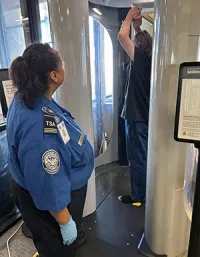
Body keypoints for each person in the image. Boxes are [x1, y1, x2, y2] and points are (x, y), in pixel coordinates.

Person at [7, 43, 94, 257]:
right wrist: (65, 222)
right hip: (52, 205)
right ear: (54, 75)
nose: (64, 70)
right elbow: (47, 184)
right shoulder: (39, 127)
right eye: (61, 66)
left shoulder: (28, 98)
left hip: (50, 190)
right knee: (56, 250)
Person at [117, 7, 152, 206]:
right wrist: (138, 28)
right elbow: (140, 39)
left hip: (136, 117)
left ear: (138, 47)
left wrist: (129, 17)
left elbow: (122, 36)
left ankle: (138, 197)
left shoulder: (139, 59)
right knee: (141, 157)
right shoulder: (148, 59)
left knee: (137, 158)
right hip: (142, 116)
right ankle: (142, 192)